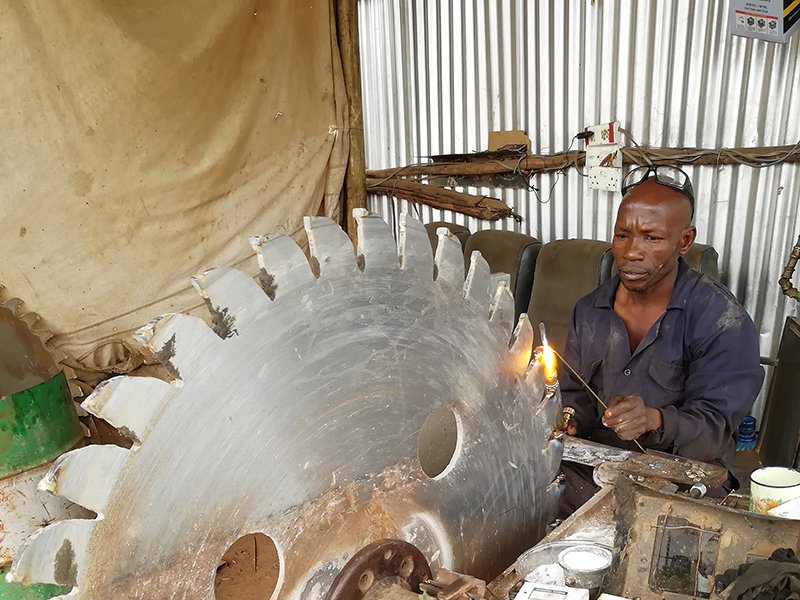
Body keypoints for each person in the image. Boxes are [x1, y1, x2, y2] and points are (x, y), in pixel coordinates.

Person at [559, 166, 764, 515]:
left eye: (651, 238)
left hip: (684, 477)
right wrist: (569, 418)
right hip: (600, 467)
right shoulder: (589, 311)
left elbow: (714, 428)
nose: (631, 252)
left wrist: (654, 420)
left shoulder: (720, 319)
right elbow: (573, 393)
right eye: (622, 235)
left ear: (684, 241)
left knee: (662, 532)